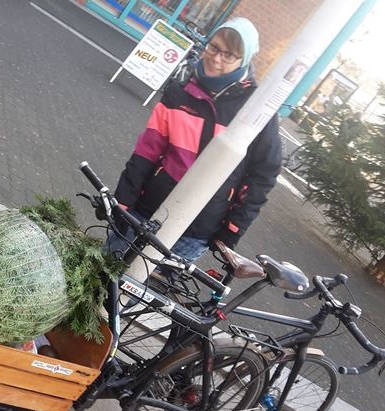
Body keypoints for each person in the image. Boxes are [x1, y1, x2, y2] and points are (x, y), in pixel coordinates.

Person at [109, 17, 281, 262]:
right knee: (107, 273)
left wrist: (233, 229)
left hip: (195, 229)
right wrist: (123, 200)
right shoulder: (178, 92)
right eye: (214, 47)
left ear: (244, 60)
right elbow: (147, 151)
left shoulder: (256, 109)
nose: (216, 58)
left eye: (229, 55)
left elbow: (263, 175)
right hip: (147, 209)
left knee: (148, 295)